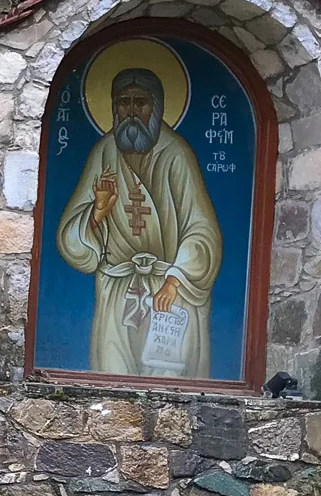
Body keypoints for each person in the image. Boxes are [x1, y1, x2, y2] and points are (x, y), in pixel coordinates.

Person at [54, 67, 222, 377]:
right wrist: (97, 212)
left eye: (140, 103)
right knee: (111, 373)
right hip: (118, 286)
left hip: (167, 289)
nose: (130, 112)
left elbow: (202, 231)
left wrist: (174, 281)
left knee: (166, 378)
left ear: (155, 107)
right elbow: (70, 240)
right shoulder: (103, 153)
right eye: (123, 103)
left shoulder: (176, 155)